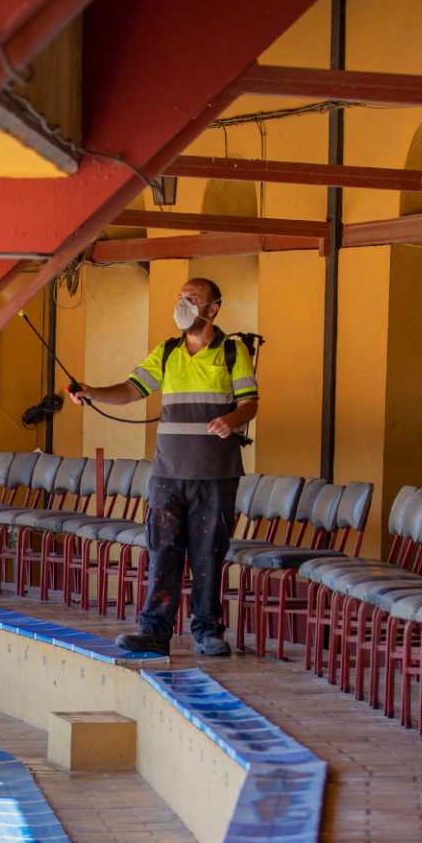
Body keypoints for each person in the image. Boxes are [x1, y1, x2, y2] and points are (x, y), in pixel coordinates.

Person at [68, 277, 260, 656]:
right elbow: (131, 389)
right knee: (163, 552)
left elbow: (251, 402)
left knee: (208, 553)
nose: (182, 304)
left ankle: (207, 630)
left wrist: (232, 420)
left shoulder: (233, 351)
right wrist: (92, 391)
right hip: (167, 474)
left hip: (214, 474)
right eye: (180, 297)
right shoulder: (167, 351)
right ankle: (154, 631)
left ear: (212, 308)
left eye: (192, 299)